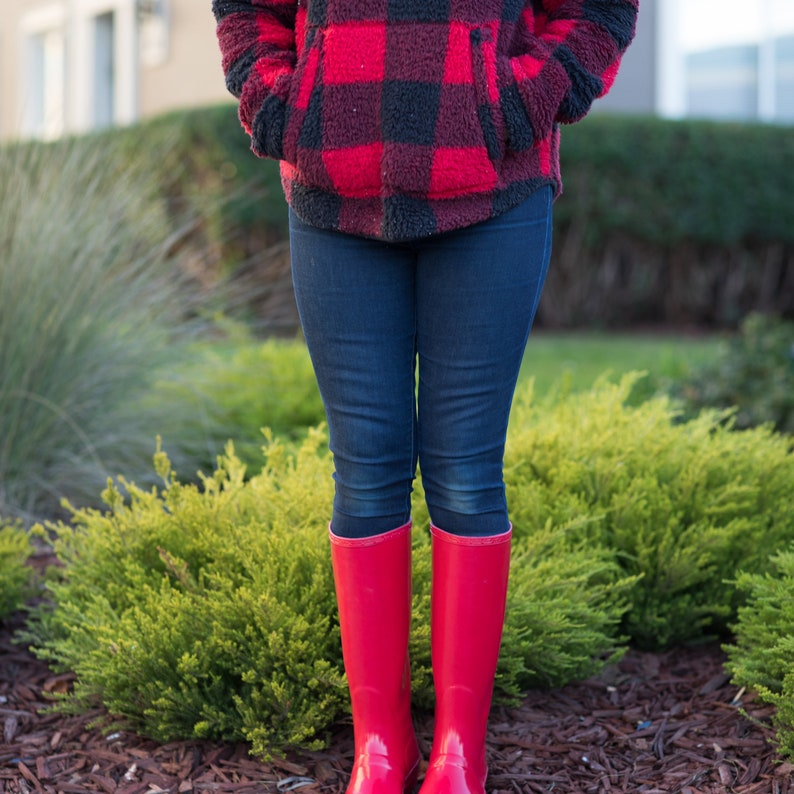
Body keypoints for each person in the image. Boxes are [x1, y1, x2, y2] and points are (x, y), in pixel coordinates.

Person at [212, 1, 638, 792]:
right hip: (332, 191)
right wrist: (279, 100)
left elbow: (598, 10)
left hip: (494, 191)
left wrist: (518, 100)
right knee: (365, 472)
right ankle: (380, 749)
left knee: (468, 471)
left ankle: (457, 754)